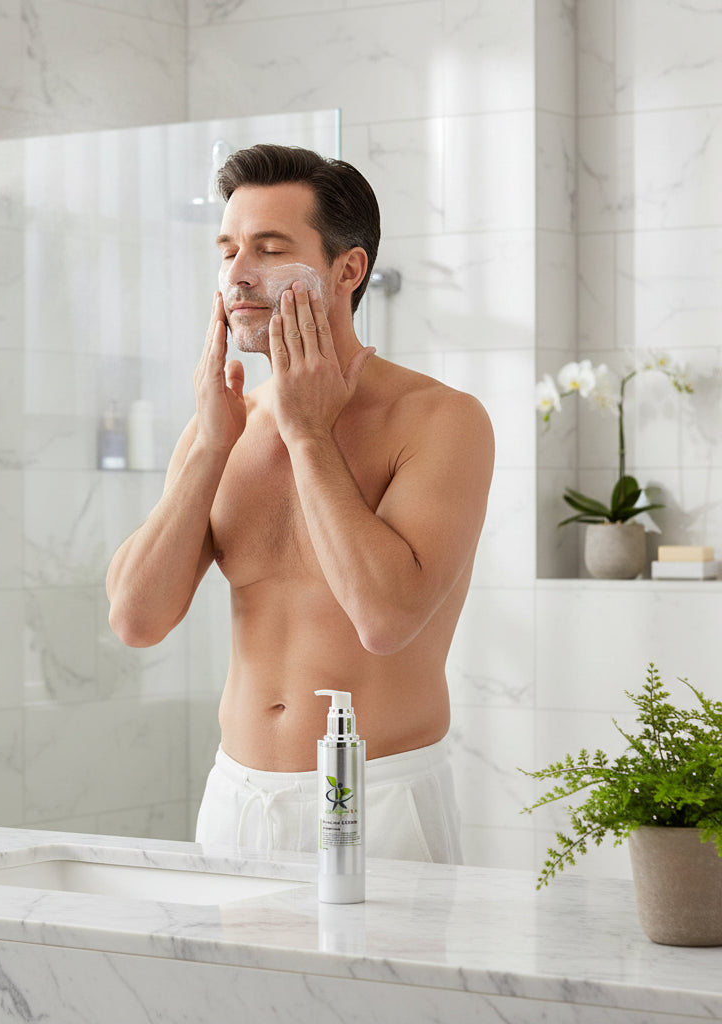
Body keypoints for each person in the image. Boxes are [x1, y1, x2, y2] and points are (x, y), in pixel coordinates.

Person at [106, 144, 494, 863]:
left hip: (380, 798)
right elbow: (135, 619)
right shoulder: (223, 424)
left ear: (348, 271)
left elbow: (385, 619)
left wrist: (309, 433)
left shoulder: (441, 421)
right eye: (227, 250)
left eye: (269, 248)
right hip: (236, 797)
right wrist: (210, 450)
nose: (236, 276)